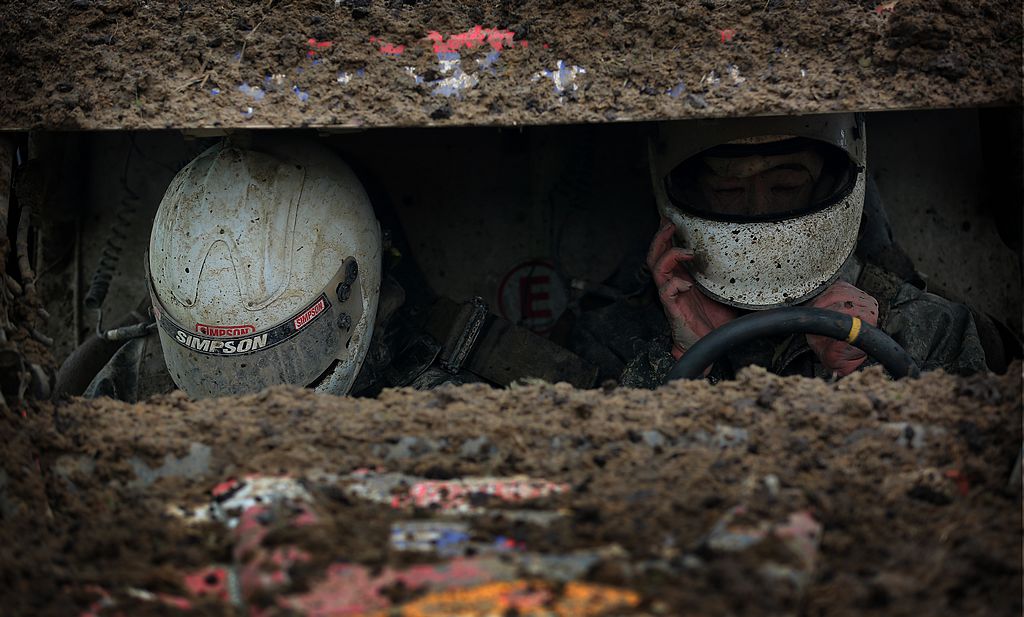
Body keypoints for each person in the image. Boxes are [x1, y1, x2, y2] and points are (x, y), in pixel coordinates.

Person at [80, 137, 596, 401]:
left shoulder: (449, 413)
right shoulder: (135, 379)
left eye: (286, 355)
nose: (252, 398)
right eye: (217, 362)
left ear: (358, 288)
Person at [626, 112, 1009, 385]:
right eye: (728, 189)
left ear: (826, 182)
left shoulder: (935, 329)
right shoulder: (621, 337)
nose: (758, 210)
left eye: (786, 186)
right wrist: (684, 360)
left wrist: (864, 366)